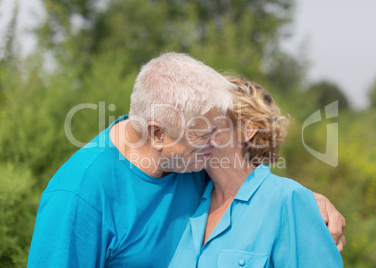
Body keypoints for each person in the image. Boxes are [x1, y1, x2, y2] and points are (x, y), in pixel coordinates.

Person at [27, 53, 345, 267]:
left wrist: (308, 204)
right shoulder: (79, 197)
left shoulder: (190, 163)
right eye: (204, 133)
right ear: (158, 134)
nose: (213, 144)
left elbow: (257, 195)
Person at [169, 76, 344, 267]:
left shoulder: (288, 200)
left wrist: (303, 202)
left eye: (211, 120)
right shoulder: (187, 191)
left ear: (248, 130)